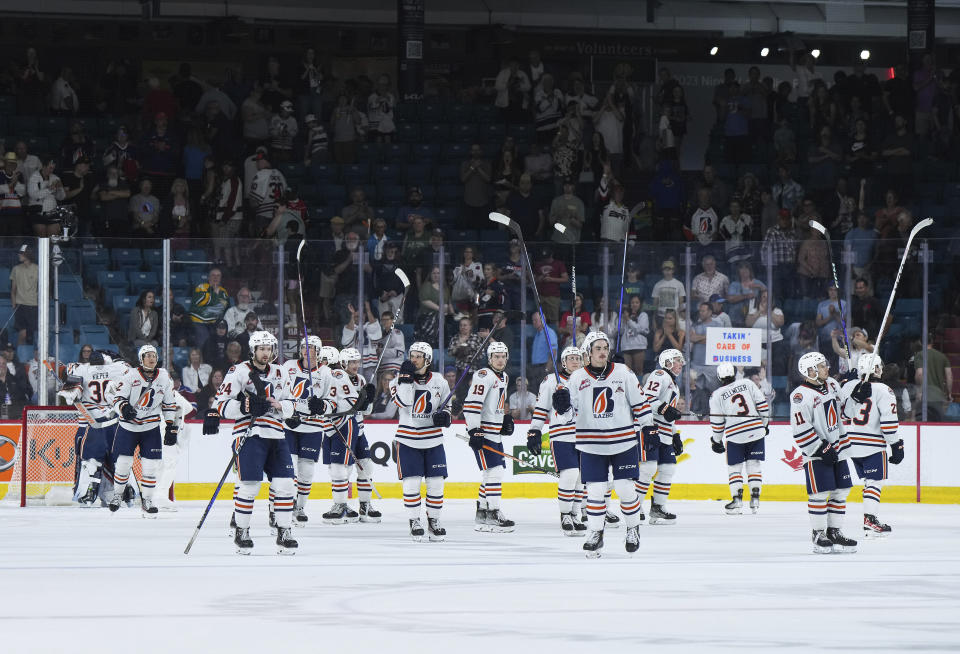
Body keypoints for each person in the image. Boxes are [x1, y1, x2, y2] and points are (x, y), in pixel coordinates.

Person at [207, 331, 299, 554]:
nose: (266, 353)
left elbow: (291, 403)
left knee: (286, 486)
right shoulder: (238, 371)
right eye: (262, 349)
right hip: (250, 433)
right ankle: (242, 531)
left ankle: (284, 531)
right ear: (253, 350)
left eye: (269, 349)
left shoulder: (280, 372)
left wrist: (281, 407)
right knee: (249, 486)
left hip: (277, 434)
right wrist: (246, 407)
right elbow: (220, 404)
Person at [558, 331, 644, 557]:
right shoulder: (576, 378)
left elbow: (639, 402)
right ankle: (596, 533)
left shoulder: (623, 372)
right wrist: (562, 406)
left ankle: (633, 528)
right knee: (595, 490)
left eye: (605, 347)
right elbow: (569, 416)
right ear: (588, 352)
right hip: (590, 444)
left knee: (625, 488)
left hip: (623, 441)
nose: (603, 351)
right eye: (597, 348)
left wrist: (649, 427)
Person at [791, 351, 857, 554]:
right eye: (821, 366)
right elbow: (800, 430)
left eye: (824, 364)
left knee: (841, 492)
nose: (826, 367)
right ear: (810, 371)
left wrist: (855, 391)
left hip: (840, 448)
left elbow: (847, 413)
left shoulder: (832, 385)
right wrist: (821, 447)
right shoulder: (800, 396)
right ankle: (819, 534)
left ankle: (834, 532)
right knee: (819, 494)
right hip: (818, 453)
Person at [391, 342, 453, 541]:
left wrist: (445, 416)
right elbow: (404, 402)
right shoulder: (397, 381)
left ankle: (434, 521)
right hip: (408, 440)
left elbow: (447, 405)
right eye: (412, 355)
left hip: (433, 440)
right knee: (412, 484)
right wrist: (406, 380)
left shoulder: (440, 380)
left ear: (428, 359)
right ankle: (414, 521)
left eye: (418, 356)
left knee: (436, 484)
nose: (414, 359)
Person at [107, 345, 177, 517]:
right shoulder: (130, 375)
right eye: (148, 356)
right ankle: (117, 495)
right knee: (123, 464)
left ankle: (147, 500)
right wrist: (124, 408)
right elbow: (118, 398)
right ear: (141, 359)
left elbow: (169, 403)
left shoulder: (164, 377)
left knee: (150, 467)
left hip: (151, 428)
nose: (152, 358)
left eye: (154, 355)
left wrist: (170, 426)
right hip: (128, 427)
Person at [838, 355, 903, 537]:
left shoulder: (848, 385)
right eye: (879, 367)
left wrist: (846, 384)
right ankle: (870, 521)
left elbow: (840, 413)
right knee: (874, 482)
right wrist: (896, 444)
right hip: (872, 444)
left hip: (848, 443)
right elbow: (888, 423)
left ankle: (835, 524)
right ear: (875, 369)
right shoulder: (884, 390)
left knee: (854, 484)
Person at [527, 346, 586, 535]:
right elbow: (541, 407)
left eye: (578, 358)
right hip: (562, 435)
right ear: (563, 362)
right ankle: (565, 515)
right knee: (570, 474)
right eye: (571, 358)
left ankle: (575, 514)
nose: (575, 361)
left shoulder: (588, 380)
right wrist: (534, 431)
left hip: (585, 435)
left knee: (580, 479)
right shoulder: (552, 380)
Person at [57, 351, 127, 504]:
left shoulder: (81, 369)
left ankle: (87, 493)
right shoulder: (117, 368)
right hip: (113, 422)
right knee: (115, 460)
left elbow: (66, 374)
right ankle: (118, 493)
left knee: (89, 461)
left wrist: (66, 383)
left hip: (89, 424)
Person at [282, 335, 336, 525]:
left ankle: (300, 507)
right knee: (288, 467)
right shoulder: (288, 366)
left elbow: (332, 402)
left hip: (313, 426)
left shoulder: (327, 372)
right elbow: (278, 391)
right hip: (289, 423)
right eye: (305, 347)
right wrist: (287, 409)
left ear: (319, 351)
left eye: (312, 348)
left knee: (306, 470)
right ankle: (282, 504)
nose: (307, 350)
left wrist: (321, 406)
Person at [320, 348, 377, 524]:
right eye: (352, 362)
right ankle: (340, 505)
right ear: (343, 363)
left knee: (366, 466)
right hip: (340, 426)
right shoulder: (334, 377)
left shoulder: (360, 380)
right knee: (339, 468)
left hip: (358, 428)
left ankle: (365, 505)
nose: (356, 366)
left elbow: (366, 410)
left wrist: (369, 399)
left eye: (357, 362)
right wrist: (361, 401)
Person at [464, 341, 516, 532]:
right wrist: (474, 430)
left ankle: (483, 513)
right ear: (490, 358)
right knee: (495, 472)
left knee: (491, 473)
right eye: (496, 356)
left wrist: (503, 421)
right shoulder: (483, 375)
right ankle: (493, 512)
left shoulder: (504, 377)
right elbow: (471, 404)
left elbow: (494, 405)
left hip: (494, 433)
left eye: (503, 356)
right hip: (484, 432)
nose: (500, 360)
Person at [708, 362, 770, 515]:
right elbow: (763, 405)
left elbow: (717, 422)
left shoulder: (716, 395)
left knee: (734, 468)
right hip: (755, 429)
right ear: (735, 373)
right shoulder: (747, 383)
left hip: (735, 434)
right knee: (754, 464)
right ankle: (755, 499)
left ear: (719, 377)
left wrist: (716, 440)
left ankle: (737, 501)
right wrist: (764, 424)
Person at [636, 349, 686, 525]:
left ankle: (658, 508)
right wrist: (666, 409)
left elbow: (669, 416)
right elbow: (647, 398)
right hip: (651, 428)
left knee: (668, 469)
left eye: (681, 361)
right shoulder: (659, 374)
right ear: (667, 362)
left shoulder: (674, 384)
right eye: (677, 360)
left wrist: (675, 435)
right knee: (648, 468)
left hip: (665, 432)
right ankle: (635, 507)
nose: (680, 364)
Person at [189, 268, 230, 349]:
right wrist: (215, 294)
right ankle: (202, 360)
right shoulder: (201, 288)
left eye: (218, 276)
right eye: (213, 275)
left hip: (215, 323)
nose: (215, 278)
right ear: (208, 278)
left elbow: (225, 308)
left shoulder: (224, 292)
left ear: (221, 278)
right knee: (204, 341)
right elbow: (199, 306)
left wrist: (211, 306)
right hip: (199, 321)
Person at [914, 334, 952, 422]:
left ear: (920, 343)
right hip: (939, 396)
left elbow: (920, 373)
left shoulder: (920, 355)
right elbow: (949, 376)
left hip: (925, 396)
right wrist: (949, 393)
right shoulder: (942, 356)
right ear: (932, 342)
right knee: (938, 425)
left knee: (924, 426)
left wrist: (919, 391)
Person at [10, 244, 39, 346]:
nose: (19, 255)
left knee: (31, 334)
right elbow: (13, 290)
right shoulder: (16, 269)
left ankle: (33, 358)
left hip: (33, 306)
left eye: (21, 253)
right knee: (22, 333)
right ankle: (21, 357)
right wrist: (14, 305)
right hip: (20, 306)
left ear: (28, 255)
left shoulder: (38, 269)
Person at [620, 295, 649, 376]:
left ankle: (639, 387)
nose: (634, 304)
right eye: (632, 302)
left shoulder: (643, 315)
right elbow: (621, 330)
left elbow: (639, 329)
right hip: (626, 346)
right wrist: (624, 319)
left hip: (638, 345)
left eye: (636, 302)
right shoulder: (625, 315)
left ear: (640, 304)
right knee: (627, 372)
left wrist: (628, 320)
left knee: (638, 370)